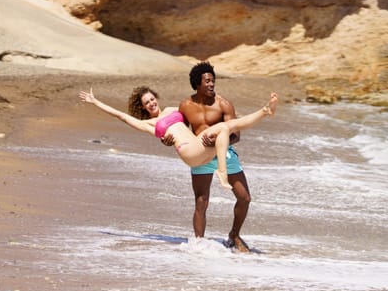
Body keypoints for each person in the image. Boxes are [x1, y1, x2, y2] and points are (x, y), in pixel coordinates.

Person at [79, 87, 278, 190]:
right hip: (188, 151)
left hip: (199, 147)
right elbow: (121, 116)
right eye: (146, 103)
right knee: (224, 129)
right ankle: (222, 174)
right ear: (143, 107)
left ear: (156, 98)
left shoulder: (173, 110)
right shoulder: (149, 124)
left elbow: (196, 110)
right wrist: (95, 101)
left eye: (152, 99)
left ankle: (265, 110)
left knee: (227, 126)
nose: (151, 103)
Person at [161, 61, 261, 252]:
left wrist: (218, 144)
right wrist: (167, 140)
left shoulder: (224, 104)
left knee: (244, 197)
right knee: (201, 201)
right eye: (207, 81)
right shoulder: (185, 106)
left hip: (225, 153)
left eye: (213, 81)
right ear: (197, 83)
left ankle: (234, 235)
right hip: (201, 157)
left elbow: (236, 135)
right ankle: (198, 244)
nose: (211, 84)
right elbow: (177, 131)